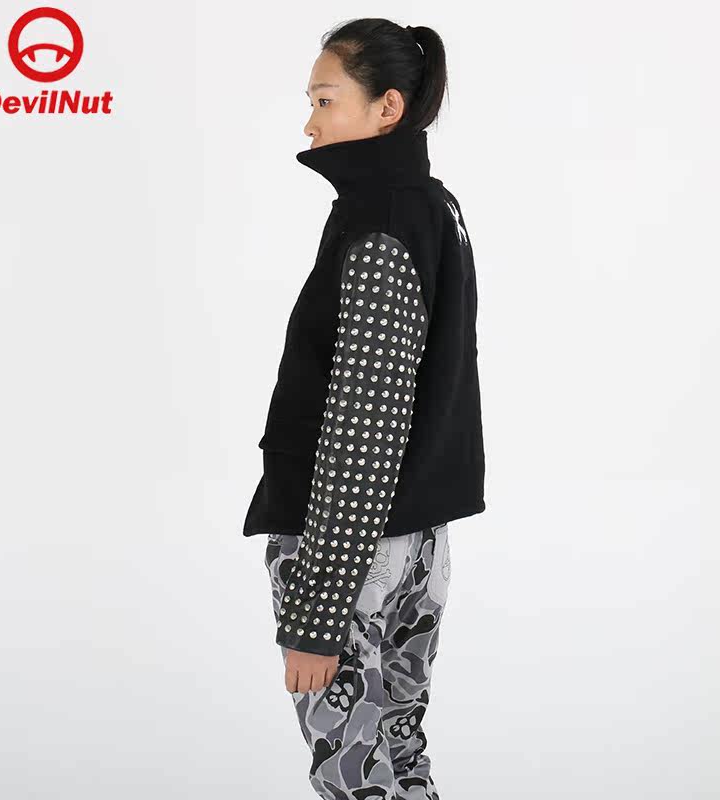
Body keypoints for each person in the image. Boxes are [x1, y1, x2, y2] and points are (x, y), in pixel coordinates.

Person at [243, 17, 486, 800]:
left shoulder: (379, 223)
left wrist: (317, 616)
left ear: (387, 108)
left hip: (351, 544)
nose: (309, 122)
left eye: (324, 99)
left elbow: (365, 426)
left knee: (355, 773)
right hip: (416, 538)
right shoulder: (433, 207)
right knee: (399, 755)